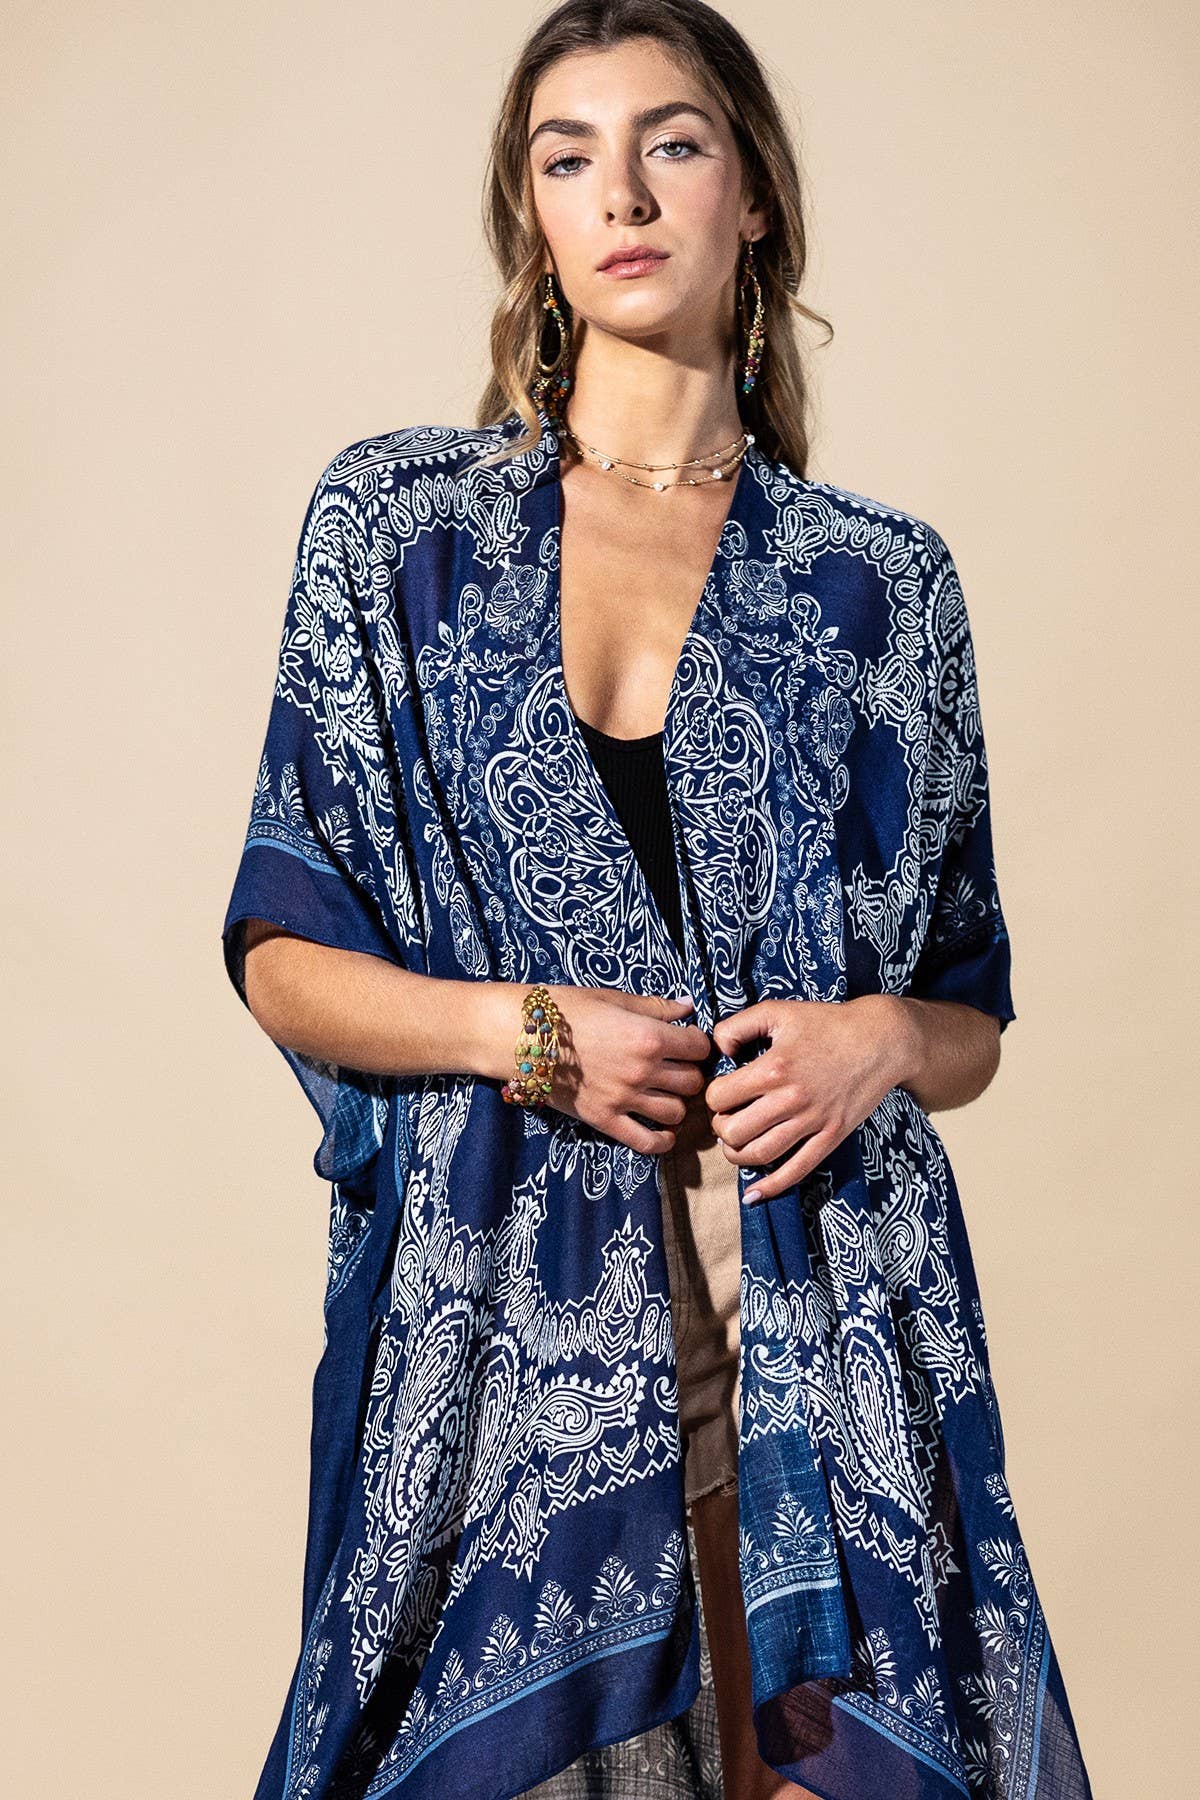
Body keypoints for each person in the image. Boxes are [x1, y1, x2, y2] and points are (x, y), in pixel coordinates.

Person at [220, 3, 1094, 1796]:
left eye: (672, 143)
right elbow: (283, 952)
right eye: (567, 157)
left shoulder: (883, 587)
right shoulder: (397, 528)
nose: (620, 192)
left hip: (820, 1307)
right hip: (509, 1341)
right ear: (529, 222)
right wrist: (523, 1033)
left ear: (754, 195)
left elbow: (972, 1013)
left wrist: (875, 1043)